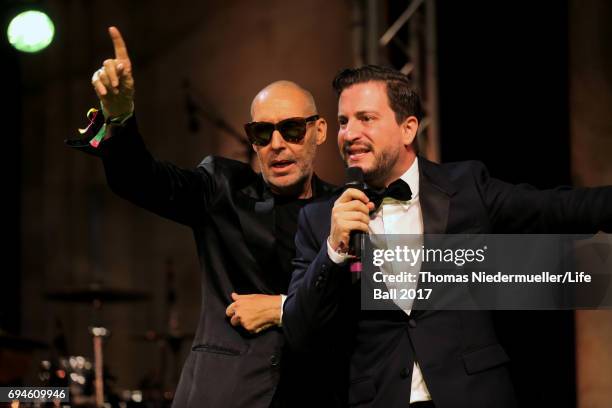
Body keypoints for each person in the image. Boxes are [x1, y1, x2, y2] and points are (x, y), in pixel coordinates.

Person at [282, 65, 612, 408]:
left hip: (473, 394)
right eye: (344, 121)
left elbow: (558, 208)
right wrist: (333, 249)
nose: (349, 134)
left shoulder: (465, 187)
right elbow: (300, 331)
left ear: (408, 128)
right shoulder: (320, 219)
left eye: (366, 118)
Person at [69, 26, 338, 408]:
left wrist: (281, 308)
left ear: (319, 130)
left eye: (292, 130)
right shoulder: (222, 186)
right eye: (262, 133)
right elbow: (142, 181)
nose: (277, 144)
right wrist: (120, 117)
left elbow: (369, 303)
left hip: (314, 393)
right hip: (225, 394)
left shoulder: (345, 208)